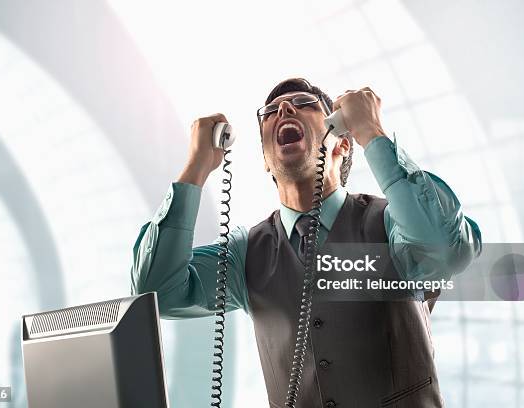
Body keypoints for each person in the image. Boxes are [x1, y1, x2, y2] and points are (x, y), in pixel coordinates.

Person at [130, 78, 482, 408]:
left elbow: (446, 249)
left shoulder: (393, 226)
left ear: (342, 142)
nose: (284, 110)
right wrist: (196, 169)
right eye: (271, 112)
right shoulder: (244, 254)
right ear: (267, 162)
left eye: (303, 104)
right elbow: (155, 292)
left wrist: (371, 133)